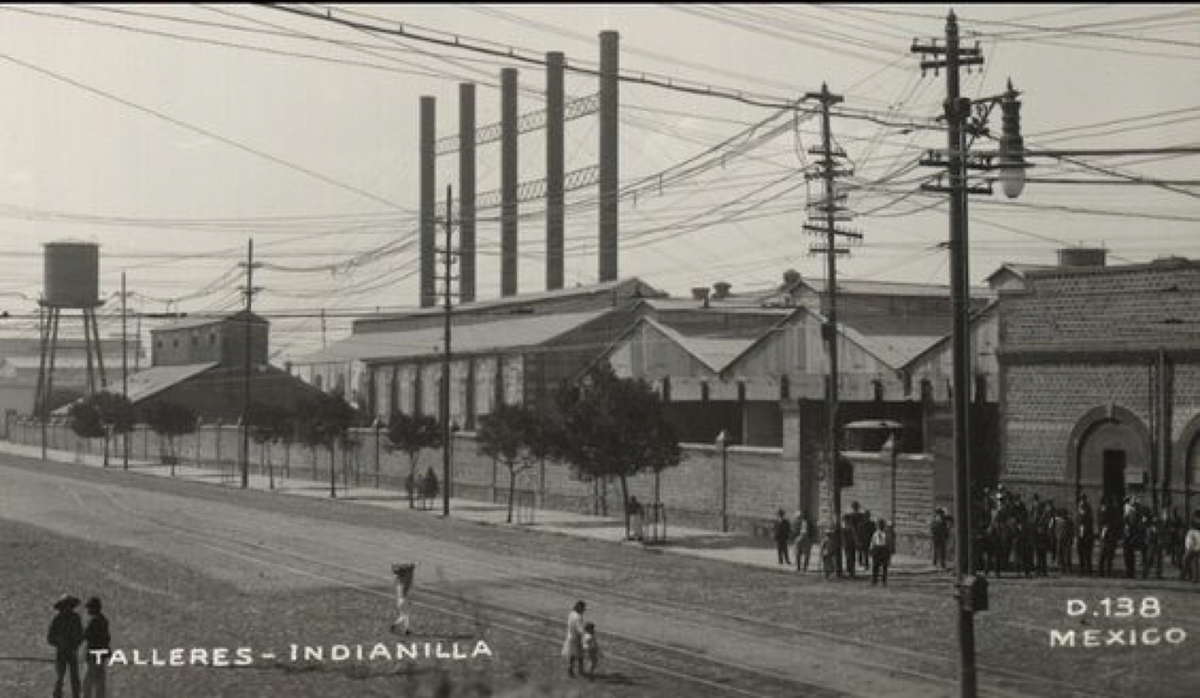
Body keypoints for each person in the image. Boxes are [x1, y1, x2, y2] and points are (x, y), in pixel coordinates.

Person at [48, 594, 83, 698]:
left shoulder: (76, 618)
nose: (68, 608)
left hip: (72, 652)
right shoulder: (57, 620)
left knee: (75, 677)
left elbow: (80, 635)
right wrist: (59, 643)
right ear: (62, 607)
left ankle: (76, 696)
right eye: (65, 605)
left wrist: (75, 646)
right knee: (60, 677)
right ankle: (57, 695)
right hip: (61, 653)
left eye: (69, 605)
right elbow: (50, 638)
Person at [82, 597, 109, 698]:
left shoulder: (93, 621)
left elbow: (86, 635)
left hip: (93, 654)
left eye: (90, 608)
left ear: (95, 608)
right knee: (100, 680)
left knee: (88, 681)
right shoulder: (104, 620)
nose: (88, 610)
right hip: (101, 655)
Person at [562, 601, 587, 678]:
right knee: (580, 655)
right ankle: (581, 671)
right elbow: (580, 629)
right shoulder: (578, 617)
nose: (584, 610)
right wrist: (585, 634)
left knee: (572, 654)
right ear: (579, 607)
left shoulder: (571, 613)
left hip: (570, 636)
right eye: (583, 608)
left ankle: (570, 669)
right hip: (576, 638)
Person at [391, 563, 416, 635]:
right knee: (406, 615)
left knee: (403, 616)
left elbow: (400, 571)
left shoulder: (398, 580)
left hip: (399, 601)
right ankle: (406, 630)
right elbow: (409, 578)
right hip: (403, 600)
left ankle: (394, 625)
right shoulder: (406, 581)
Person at [1077, 495, 1095, 576]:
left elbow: (1084, 523)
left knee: (1086, 553)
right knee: (1082, 553)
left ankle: (1087, 570)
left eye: (1082, 500)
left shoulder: (1086, 509)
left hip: (1086, 535)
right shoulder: (1080, 510)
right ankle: (1084, 570)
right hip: (1082, 535)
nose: (1081, 502)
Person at [870, 519, 891, 586]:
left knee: (884, 566)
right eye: (879, 525)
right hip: (877, 549)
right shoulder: (875, 533)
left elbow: (888, 542)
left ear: (884, 526)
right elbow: (873, 542)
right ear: (877, 526)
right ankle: (874, 580)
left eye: (882, 525)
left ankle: (884, 581)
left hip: (884, 549)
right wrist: (871, 549)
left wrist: (888, 552)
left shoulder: (886, 533)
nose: (880, 527)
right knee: (875, 566)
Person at [1182, 513, 1200, 583]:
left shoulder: (1193, 531)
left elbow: (1191, 542)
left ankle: (1185, 575)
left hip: (1193, 549)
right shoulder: (1194, 531)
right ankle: (1195, 578)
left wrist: (1190, 548)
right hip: (1194, 548)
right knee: (1194, 563)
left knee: (1186, 560)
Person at [841, 514, 857, 578]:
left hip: (850, 544)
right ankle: (850, 571)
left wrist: (856, 542)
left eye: (846, 520)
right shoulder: (845, 527)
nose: (845, 521)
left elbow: (854, 536)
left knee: (851, 558)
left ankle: (851, 571)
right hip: (847, 544)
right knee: (848, 557)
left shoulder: (850, 527)